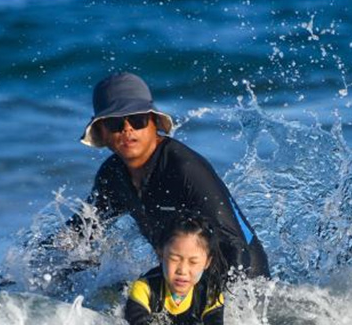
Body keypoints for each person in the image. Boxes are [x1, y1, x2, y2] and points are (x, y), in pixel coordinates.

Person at [69, 71, 269, 278]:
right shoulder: (113, 175)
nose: (128, 129)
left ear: (154, 121)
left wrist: (216, 301)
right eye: (115, 123)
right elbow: (81, 233)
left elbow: (235, 245)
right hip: (180, 278)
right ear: (101, 131)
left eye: (138, 120)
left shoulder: (184, 168)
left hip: (243, 276)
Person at [124, 215, 227, 325]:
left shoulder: (210, 292)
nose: (182, 271)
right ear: (160, 254)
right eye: (174, 259)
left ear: (207, 262)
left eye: (193, 262)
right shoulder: (144, 288)